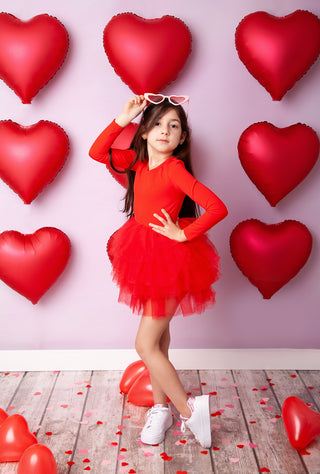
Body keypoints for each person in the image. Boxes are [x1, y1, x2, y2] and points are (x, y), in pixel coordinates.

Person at [89, 94, 228, 448]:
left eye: (174, 125)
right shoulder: (137, 164)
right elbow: (96, 152)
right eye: (158, 124)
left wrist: (183, 232)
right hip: (143, 252)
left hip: (170, 258)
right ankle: (161, 409)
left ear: (182, 138)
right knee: (160, 340)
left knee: (145, 343)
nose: (165, 131)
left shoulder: (174, 169)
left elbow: (216, 207)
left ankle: (189, 410)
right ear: (146, 132)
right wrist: (124, 117)